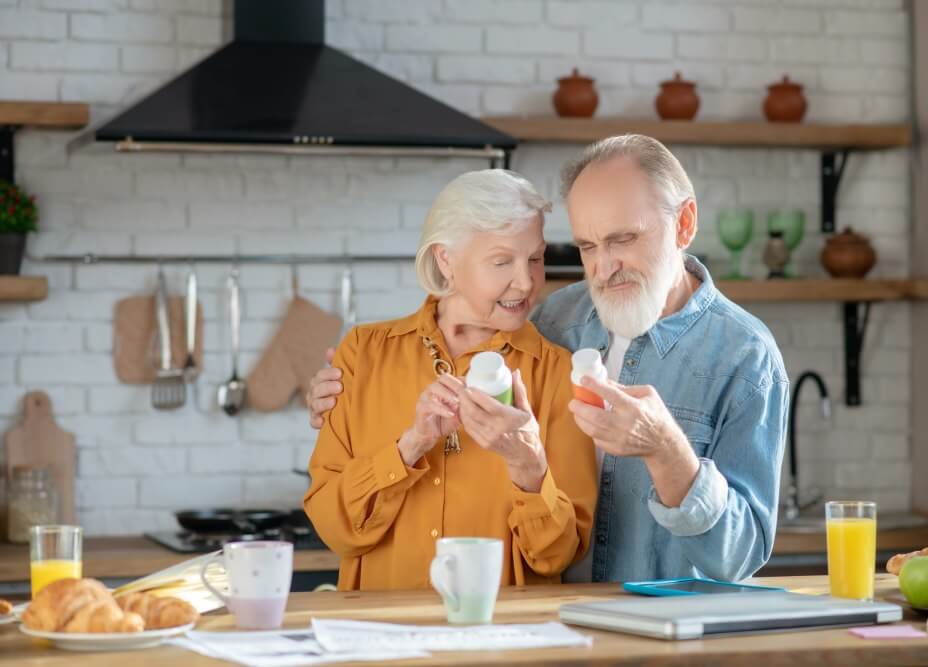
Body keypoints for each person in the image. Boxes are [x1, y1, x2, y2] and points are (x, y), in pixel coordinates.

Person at [308, 135, 788, 583]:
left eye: (622, 239)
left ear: (683, 224)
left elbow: (741, 554)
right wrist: (347, 391)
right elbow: (458, 336)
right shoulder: (555, 320)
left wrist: (666, 449)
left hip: (666, 635)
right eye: (586, 246)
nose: (602, 266)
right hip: (563, 632)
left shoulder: (746, 357)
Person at [303, 169, 596, 591]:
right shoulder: (363, 353)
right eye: (501, 261)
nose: (527, 280)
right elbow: (334, 529)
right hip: (382, 640)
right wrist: (409, 448)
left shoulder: (555, 374)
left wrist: (527, 467)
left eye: (535, 257)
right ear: (446, 260)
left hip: (501, 643)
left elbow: (557, 556)